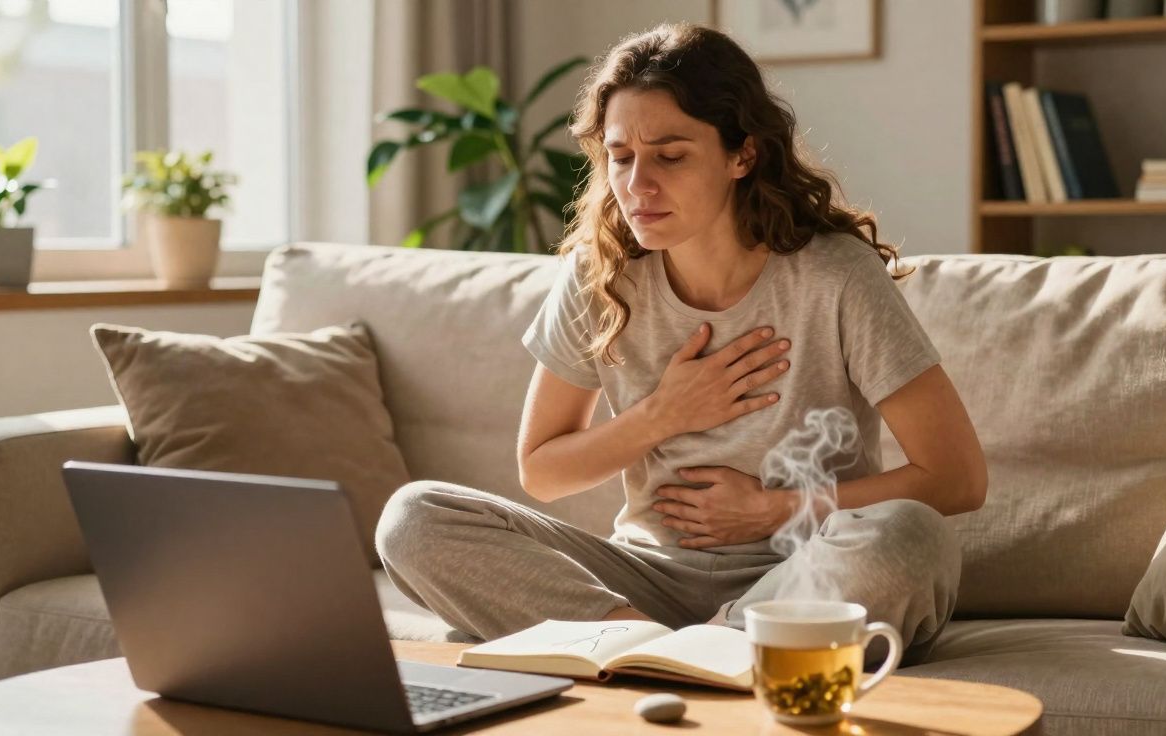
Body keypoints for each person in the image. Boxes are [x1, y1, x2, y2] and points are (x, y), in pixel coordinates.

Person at [377, 22, 987, 666]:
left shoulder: (834, 276)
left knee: (910, 534)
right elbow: (544, 471)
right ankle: (654, 646)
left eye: (670, 156)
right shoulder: (601, 274)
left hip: (805, 569)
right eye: (620, 157)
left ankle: (702, 650)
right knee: (414, 518)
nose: (638, 184)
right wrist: (664, 414)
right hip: (647, 580)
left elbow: (957, 478)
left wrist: (769, 511)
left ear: (741, 155)